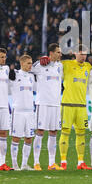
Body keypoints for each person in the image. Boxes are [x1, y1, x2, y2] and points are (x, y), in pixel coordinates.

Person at [40, 44, 92, 170]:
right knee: (65, 132)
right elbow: (52, 62)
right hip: (67, 105)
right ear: (75, 53)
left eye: (85, 54)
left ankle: (81, 162)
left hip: (81, 105)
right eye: (80, 53)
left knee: (81, 133)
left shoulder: (88, 67)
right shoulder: (66, 64)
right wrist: (44, 58)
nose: (83, 56)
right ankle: (63, 161)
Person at [31, 43, 64, 171]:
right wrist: (38, 60)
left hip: (55, 103)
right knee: (40, 131)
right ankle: (36, 162)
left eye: (60, 52)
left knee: (53, 132)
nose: (60, 54)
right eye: (58, 52)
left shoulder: (59, 66)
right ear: (51, 53)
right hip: (43, 103)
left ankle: (52, 163)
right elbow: (27, 68)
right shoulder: (41, 64)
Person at [8, 54, 37, 171]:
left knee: (29, 138)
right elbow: (9, 76)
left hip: (30, 111)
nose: (31, 66)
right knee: (16, 138)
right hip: (18, 111)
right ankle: (15, 164)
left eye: (31, 63)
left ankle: (24, 164)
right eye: (28, 63)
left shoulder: (31, 77)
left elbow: (35, 89)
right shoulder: (15, 75)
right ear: (22, 63)